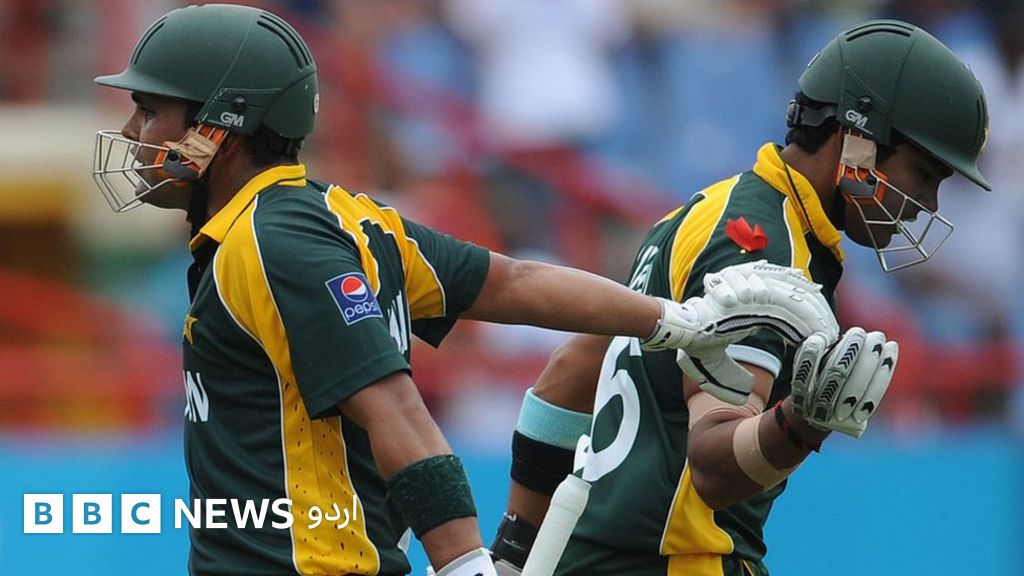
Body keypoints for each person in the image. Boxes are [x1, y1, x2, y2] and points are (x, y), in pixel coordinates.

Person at [90, 5, 833, 576]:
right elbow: (517, 282)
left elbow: (397, 409)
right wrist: (672, 319)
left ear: (220, 125)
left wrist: (466, 564)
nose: (130, 129)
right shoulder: (341, 220)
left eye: (150, 109)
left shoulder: (273, 240)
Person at [491, 19, 990, 575]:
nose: (927, 203)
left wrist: (512, 552)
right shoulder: (764, 247)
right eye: (923, 174)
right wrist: (802, 424)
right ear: (859, 141)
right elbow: (712, 467)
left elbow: (567, 377)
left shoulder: (704, 212)